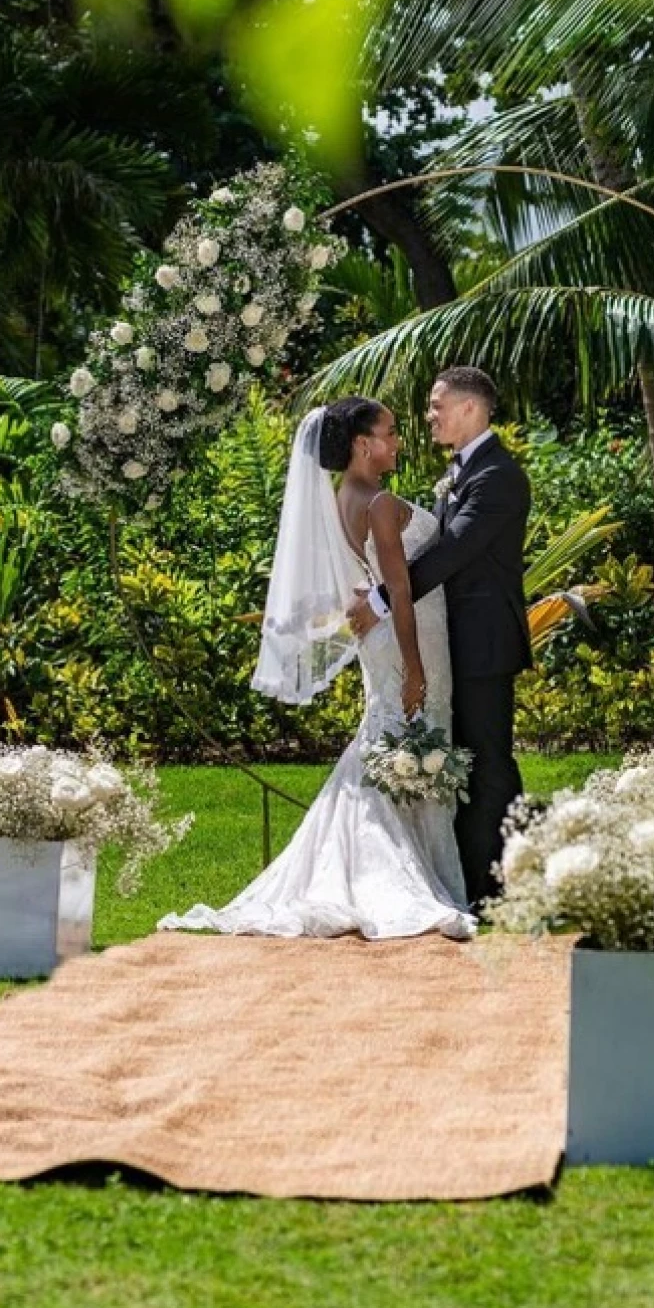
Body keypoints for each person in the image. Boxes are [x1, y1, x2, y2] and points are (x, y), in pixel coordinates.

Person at [158, 396, 473, 940]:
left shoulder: (339, 497)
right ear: (361, 443)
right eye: (390, 432)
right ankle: (395, 877)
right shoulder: (377, 502)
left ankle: (390, 863)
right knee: (410, 735)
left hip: (388, 642)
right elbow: (398, 590)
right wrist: (417, 668)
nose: (397, 441)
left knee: (388, 740)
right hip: (408, 639)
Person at [346, 366, 530, 909]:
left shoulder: (497, 476)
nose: (428, 417)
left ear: (471, 409)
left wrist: (382, 600)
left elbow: (454, 552)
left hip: (483, 643)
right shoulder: (463, 471)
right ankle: (480, 882)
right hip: (455, 641)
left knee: (489, 763)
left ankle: (502, 886)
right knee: (472, 763)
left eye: (436, 406)